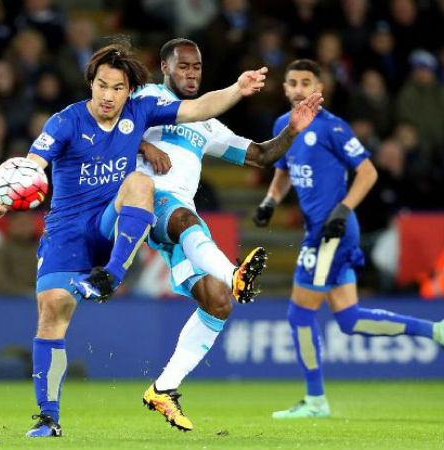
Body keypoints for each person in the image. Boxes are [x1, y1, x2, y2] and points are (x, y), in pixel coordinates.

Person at [0, 42, 267, 437]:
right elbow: (32, 166)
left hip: (111, 222)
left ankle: (111, 275)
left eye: (117, 88)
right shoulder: (65, 121)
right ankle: (48, 417)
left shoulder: (140, 110)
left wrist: (237, 89)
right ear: (91, 84)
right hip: (68, 231)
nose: (108, 96)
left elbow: (199, 108)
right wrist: (5, 200)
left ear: (130, 91)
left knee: (141, 183)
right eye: (101, 85)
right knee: (53, 310)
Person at [252, 59, 444, 419]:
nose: (298, 89)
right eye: (292, 83)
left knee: (299, 314)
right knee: (350, 319)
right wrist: (269, 201)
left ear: (319, 88)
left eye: (306, 83)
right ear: (285, 87)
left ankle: (315, 401)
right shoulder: (283, 126)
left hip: (332, 231)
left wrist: (343, 210)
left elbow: (368, 172)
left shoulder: (333, 127)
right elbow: (284, 170)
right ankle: (438, 331)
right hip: (321, 230)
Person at [135, 38, 322, 431]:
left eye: (197, 67)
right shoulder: (145, 96)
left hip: (175, 220)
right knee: (186, 217)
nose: (191, 74)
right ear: (165, 67)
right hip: (142, 199)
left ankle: (163, 388)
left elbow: (262, 155)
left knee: (218, 302)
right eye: (183, 66)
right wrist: (142, 145)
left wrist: (292, 130)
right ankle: (233, 273)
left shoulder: (205, 122)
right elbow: (104, 123)